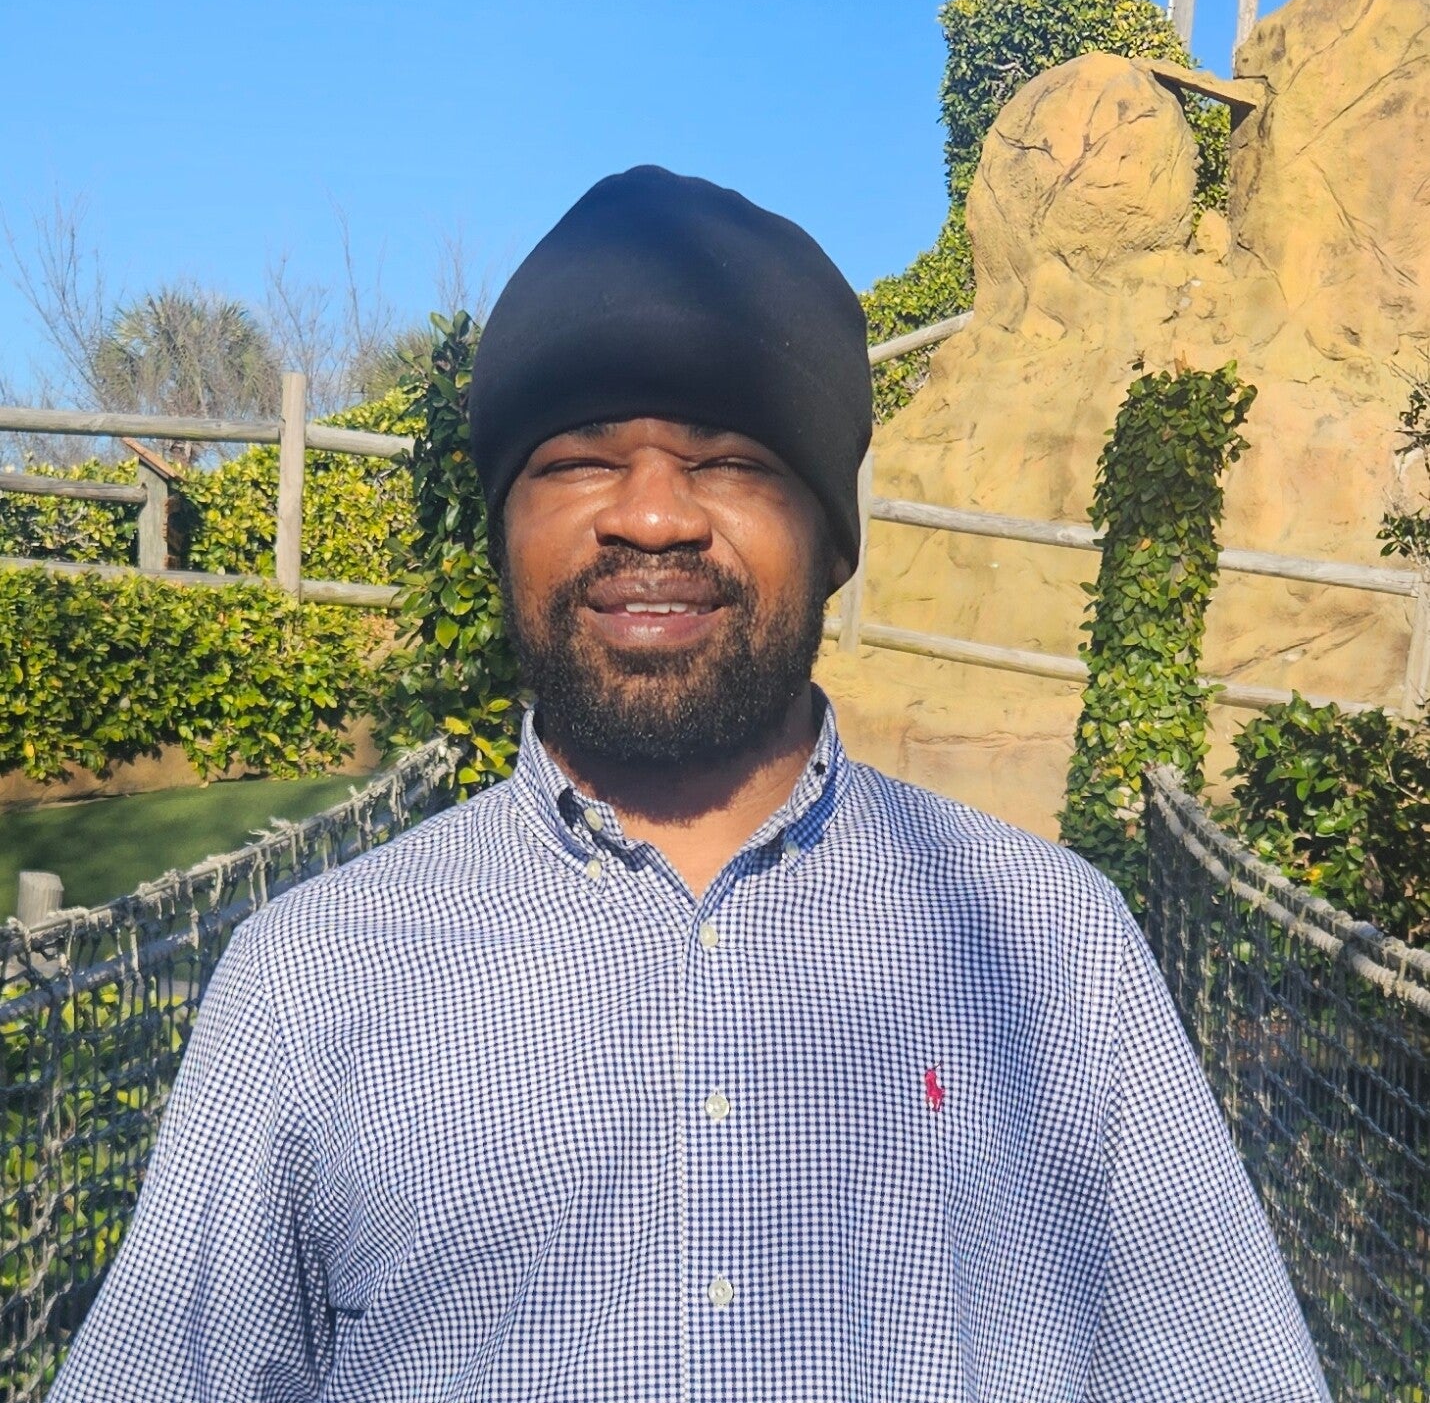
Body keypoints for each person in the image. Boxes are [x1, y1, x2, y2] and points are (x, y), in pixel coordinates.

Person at [51, 166, 1329, 1402]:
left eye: (727, 461)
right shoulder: (311, 977)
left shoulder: (1051, 949)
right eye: (578, 460)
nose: (652, 518)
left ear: (830, 538)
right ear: (501, 528)